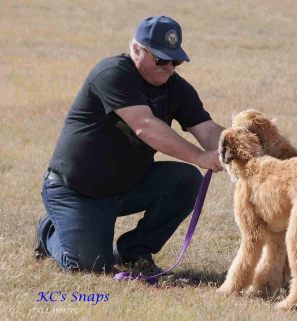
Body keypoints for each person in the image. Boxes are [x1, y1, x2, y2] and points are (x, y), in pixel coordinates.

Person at [35, 16, 224, 273]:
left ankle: (134, 251)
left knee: (186, 179)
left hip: (126, 186)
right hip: (77, 191)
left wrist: (241, 151)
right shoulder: (113, 73)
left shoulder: (176, 88)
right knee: (90, 266)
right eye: (160, 59)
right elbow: (144, 125)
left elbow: (208, 130)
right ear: (137, 49)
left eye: (176, 60)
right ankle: (48, 230)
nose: (169, 67)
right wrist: (201, 157)